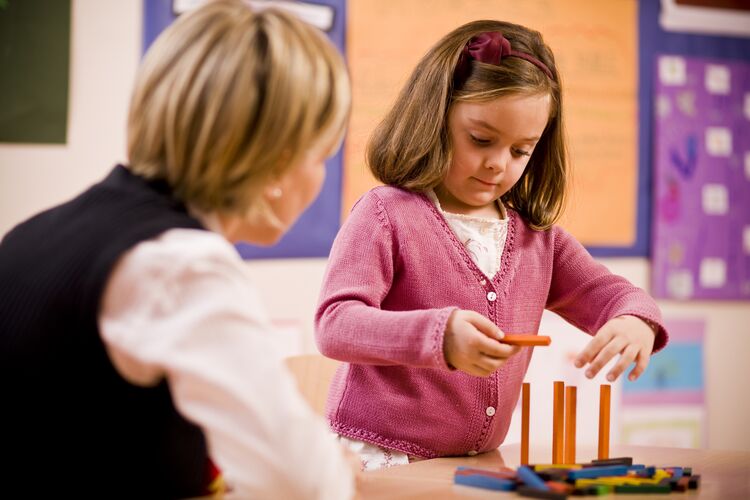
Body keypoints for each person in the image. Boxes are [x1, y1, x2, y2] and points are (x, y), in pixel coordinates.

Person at [0, 1, 354, 497]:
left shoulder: (32, 233)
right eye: (323, 156)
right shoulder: (181, 267)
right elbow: (305, 483)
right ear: (280, 161)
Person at [315, 19, 668, 469]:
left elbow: (617, 296)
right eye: (481, 140)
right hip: (380, 458)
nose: (498, 164)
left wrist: (636, 321)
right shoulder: (386, 214)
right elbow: (335, 323)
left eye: (521, 150)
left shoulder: (539, 242)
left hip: (473, 464)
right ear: (436, 118)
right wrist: (439, 337)